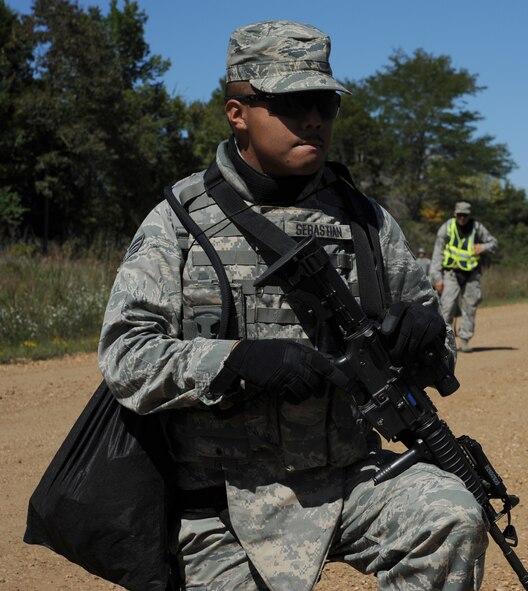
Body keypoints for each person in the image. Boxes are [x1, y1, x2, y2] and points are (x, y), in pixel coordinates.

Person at [98, 21, 486, 590]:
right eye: (292, 103)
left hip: (345, 478)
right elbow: (125, 356)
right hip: (220, 501)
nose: (314, 120)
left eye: (325, 103)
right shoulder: (178, 222)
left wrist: (426, 335)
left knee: (450, 513)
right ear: (237, 112)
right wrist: (235, 363)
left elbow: (434, 344)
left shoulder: (368, 221)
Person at [430, 202, 498, 353]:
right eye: (459, 215)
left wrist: (483, 247)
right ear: (455, 214)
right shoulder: (446, 228)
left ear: (469, 215)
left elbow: (494, 243)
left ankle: (465, 339)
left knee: (470, 307)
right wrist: (437, 278)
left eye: (465, 215)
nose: (462, 218)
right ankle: (445, 341)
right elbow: (437, 254)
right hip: (451, 273)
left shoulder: (477, 228)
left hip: (472, 273)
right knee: (447, 307)